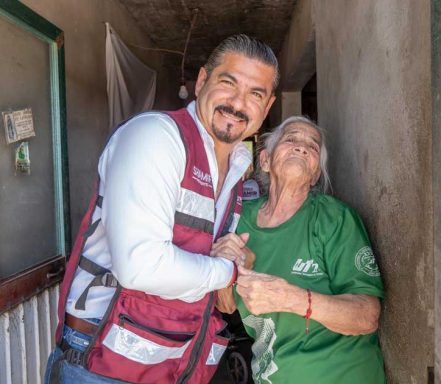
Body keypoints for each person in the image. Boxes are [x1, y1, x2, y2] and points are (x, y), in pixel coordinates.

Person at [44, 34, 278, 384]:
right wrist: (227, 271)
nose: (238, 103)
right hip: (101, 363)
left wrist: (234, 265)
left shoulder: (235, 170)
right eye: (228, 83)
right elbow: (141, 266)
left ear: (268, 106)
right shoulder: (157, 137)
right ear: (201, 81)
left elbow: (216, 295)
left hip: (172, 367)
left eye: (255, 94)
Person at [214, 116, 386, 383]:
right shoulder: (238, 218)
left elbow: (366, 316)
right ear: (266, 160)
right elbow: (225, 306)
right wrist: (228, 271)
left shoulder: (334, 219)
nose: (302, 147)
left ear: (316, 173)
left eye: (313, 147)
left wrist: (291, 299)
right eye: (291, 139)